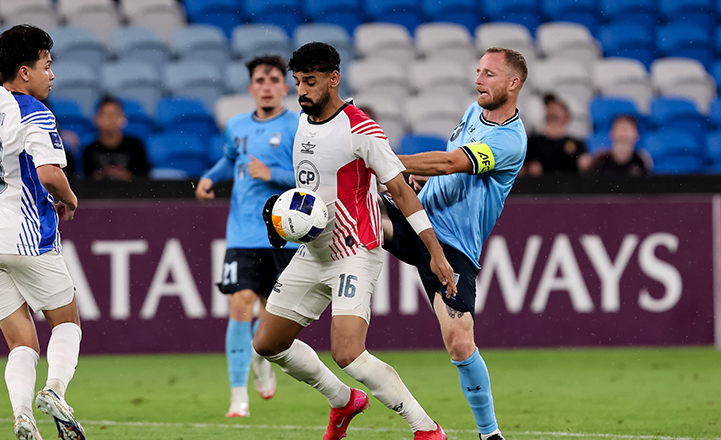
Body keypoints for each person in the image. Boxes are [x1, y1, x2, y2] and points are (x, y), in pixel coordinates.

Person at [252, 42, 457, 440]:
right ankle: (343, 400)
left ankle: (427, 429)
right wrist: (287, 217)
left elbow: (400, 190)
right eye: (297, 82)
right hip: (312, 253)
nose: (302, 91)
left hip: (355, 253)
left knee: (347, 352)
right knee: (268, 343)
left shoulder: (362, 129)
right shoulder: (302, 120)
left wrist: (435, 254)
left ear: (334, 78)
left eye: (309, 82)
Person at [380, 47, 529, 440]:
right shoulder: (471, 113)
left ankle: (489, 433)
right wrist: (420, 180)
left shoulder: (510, 141)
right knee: (355, 216)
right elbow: (445, 169)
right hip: (418, 223)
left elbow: (450, 163)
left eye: (490, 74)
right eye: (478, 71)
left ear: (514, 84)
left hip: (454, 248)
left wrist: (389, 160)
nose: (478, 79)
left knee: (460, 343)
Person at [0, 25, 85, 440]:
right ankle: (56, 391)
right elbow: (49, 174)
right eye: (47, 66)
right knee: (67, 323)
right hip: (26, 239)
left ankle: (23, 416)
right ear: (24, 71)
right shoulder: (34, 111)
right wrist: (71, 198)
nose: (52, 75)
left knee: (22, 344)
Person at [195, 55, 299, 417]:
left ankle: (260, 356)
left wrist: (271, 172)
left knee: (271, 320)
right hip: (241, 234)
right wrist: (210, 176)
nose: (267, 86)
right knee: (239, 302)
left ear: (284, 87)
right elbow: (230, 159)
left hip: (283, 237)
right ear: (251, 88)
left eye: (273, 80)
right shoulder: (237, 125)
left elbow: (308, 177)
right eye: (260, 80)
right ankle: (238, 396)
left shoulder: (298, 126)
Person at [82, 95, 150, 180]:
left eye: (115, 114)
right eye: (106, 114)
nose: (111, 119)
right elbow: (85, 179)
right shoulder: (89, 150)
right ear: (97, 119)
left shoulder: (136, 146)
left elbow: (145, 178)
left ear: (123, 118)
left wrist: (127, 176)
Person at [523, 94, 590, 176]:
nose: (553, 107)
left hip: (570, 186)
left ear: (567, 114)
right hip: (540, 186)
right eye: (549, 105)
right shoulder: (532, 143)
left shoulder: (577, 144)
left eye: (558, 105)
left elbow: (585, 167)